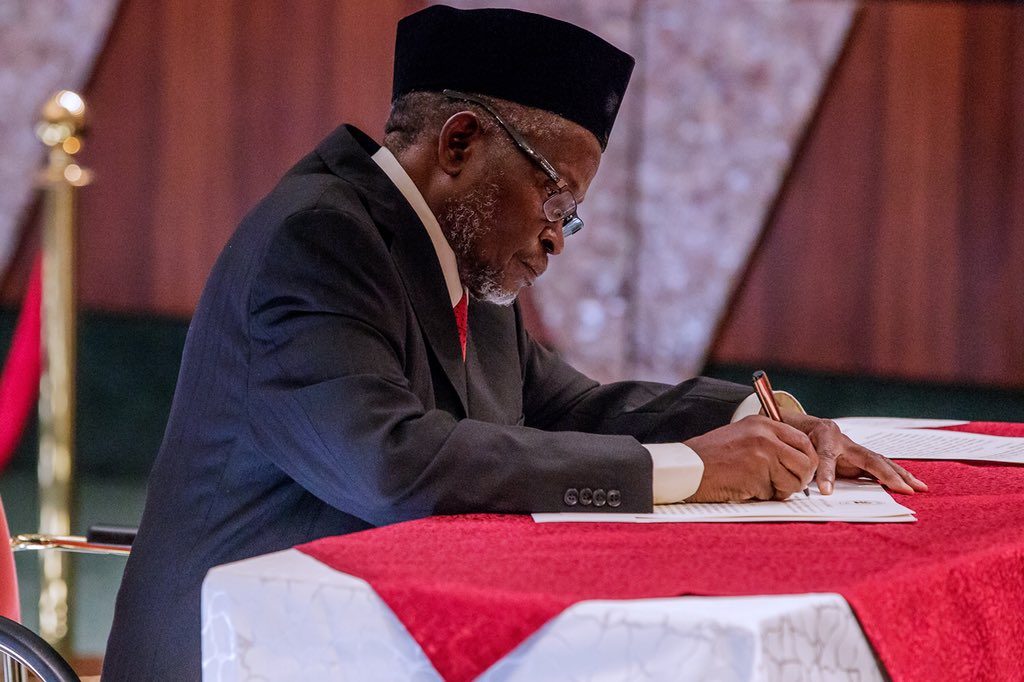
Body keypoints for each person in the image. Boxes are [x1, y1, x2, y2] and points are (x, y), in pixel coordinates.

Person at [102, 6, 926, 680]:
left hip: (371, 642)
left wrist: (759, 417)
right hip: (237, 655)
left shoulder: (463, 254)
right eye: (554, 198)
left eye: (571, 215)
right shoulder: (316, 242)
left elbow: (567, 405)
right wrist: (698, 469)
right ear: (459, 144)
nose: (559, 238)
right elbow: (393, 463)